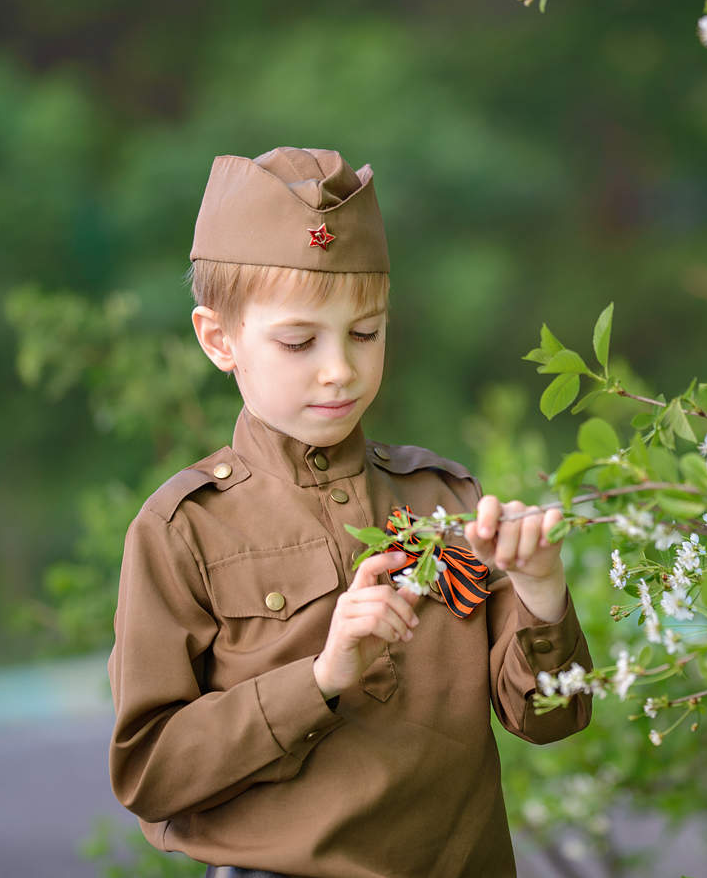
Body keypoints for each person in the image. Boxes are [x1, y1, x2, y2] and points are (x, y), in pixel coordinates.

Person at [108, 147, 593, 878]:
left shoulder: (445, 500)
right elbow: (148, 773)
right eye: (299, 340)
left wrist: (541, 589)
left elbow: (551, 718)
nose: (340, 367)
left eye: (365, 332)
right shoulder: (185, 528)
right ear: (219, 339)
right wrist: (320, 678)